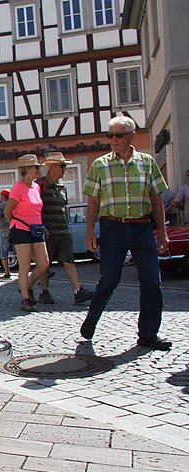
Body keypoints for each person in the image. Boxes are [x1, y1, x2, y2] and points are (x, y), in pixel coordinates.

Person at [80, 116, 171, 350]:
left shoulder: (147, 162)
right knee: (110, 279)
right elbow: (93, 200)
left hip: (142, 226)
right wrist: (90, 231)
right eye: (110, 135)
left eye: (118, 135)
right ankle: (92, 319)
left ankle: (148, 334)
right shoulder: (100, 164)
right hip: (113, 227)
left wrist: (162, 232)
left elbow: (156, 198)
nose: (113, 140)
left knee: (152, 281)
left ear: (132, 136)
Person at [34, 152, 94, 304]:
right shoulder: (40, 184)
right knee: (45, 265)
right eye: (62, 166)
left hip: (63, 231)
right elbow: (34, 208)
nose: (65, 169)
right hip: (48, 232)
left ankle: (78, 291)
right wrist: (42, 227)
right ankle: (43, 291)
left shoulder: (62, 186)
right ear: (52, 167)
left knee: (69, 260)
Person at [5, 154, 49, 312]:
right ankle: (25, 298)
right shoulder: (18, 187)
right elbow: (8, 211)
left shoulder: (36, 187)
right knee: (25, 265)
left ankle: (26, 286)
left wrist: (41, 225)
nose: (39, 170)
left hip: (36, 229)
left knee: (44, 263)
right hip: (21, 229)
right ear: (29, 169)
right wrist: (17, 223)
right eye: (36, 167)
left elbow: (36, 209)